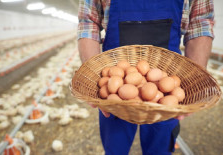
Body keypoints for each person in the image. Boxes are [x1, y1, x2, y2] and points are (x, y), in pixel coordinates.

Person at [77, 0, 214, 154]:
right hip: (114, 83)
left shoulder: (165, 87)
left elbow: (200, 23)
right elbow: (88, 22)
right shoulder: (115, 84)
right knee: (115, 146)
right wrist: (95, 77)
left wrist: (193, 82)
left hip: (166, 84)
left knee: (160, 147)